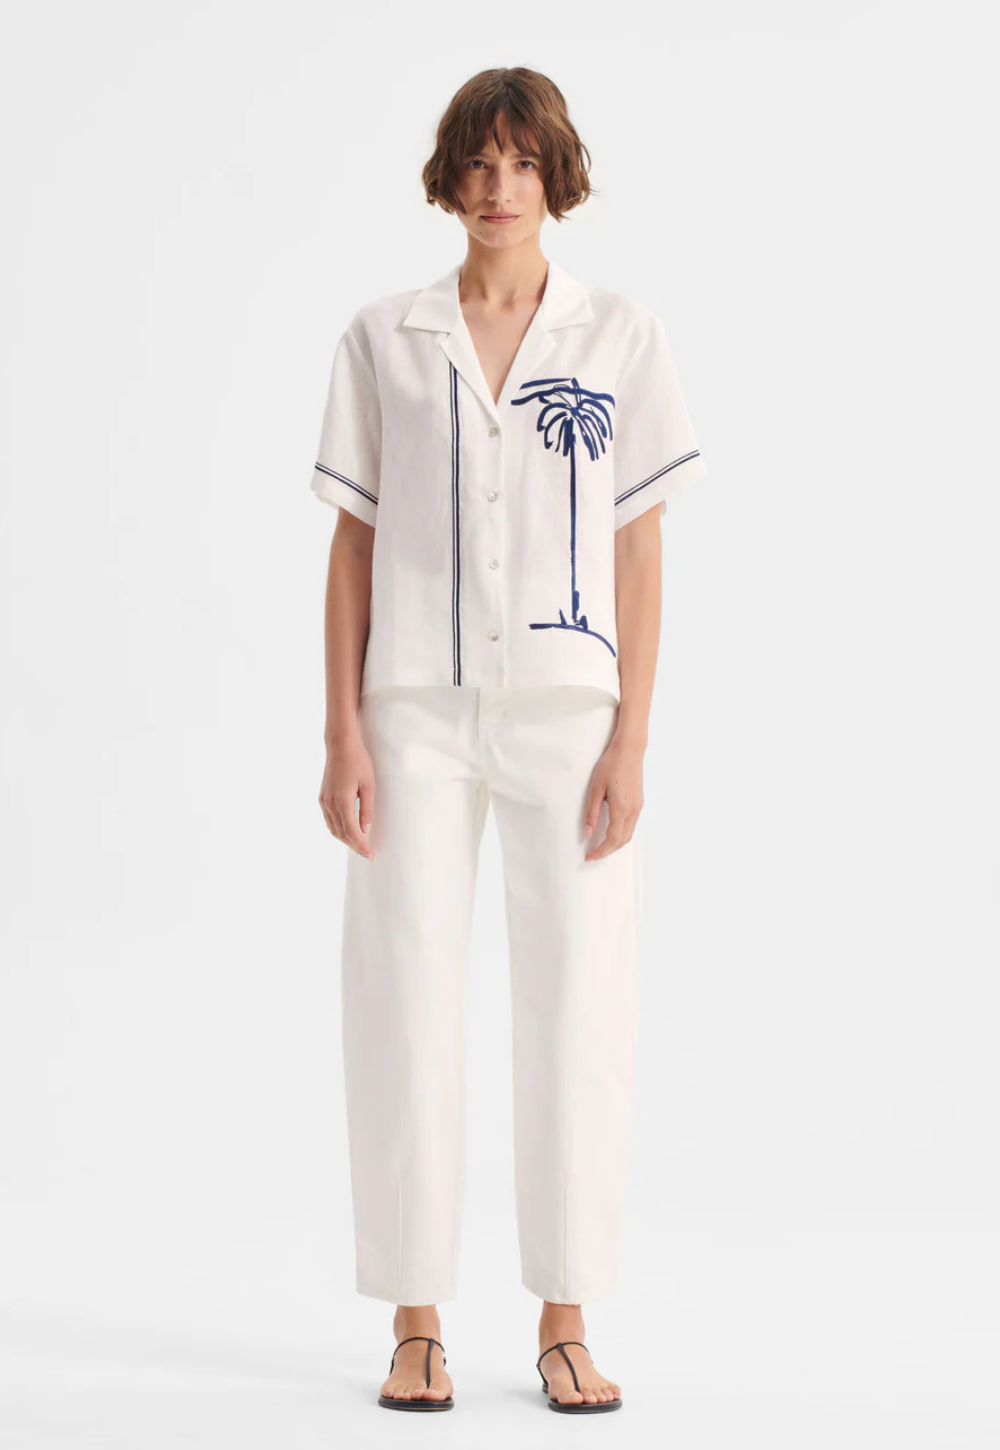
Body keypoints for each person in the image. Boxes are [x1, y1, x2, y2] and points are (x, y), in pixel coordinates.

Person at [309, 67, 706, 1414]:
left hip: (568, 719)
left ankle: (565, 1318)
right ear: (450, 178)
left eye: (523, 163)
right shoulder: (384, 337)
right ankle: (415, 1318)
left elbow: (642, 549)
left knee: (578, 1006)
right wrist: (343, 730)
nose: (499, 187)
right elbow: (351, 549)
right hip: (411, 714)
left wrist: (633, 737)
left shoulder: (622, 337)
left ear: (556, 176)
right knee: (405, 999)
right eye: (479, 163)